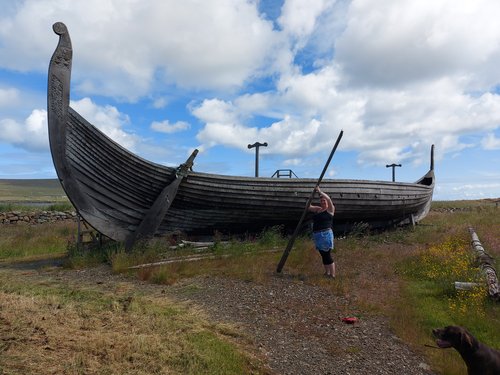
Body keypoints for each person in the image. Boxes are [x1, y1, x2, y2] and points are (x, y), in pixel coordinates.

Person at [308, 186, 336, 278]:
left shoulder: (330, 210)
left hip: (326, 234)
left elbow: (328, 198)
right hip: (317, 235)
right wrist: (311, 196)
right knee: (323, 255)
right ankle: (327, 272)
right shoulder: (318, 209)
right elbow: (308, 206)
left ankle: (332, 275)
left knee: (327, 254)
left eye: (324, 201)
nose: (323, 202)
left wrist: (320, 192)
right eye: (322, 201)